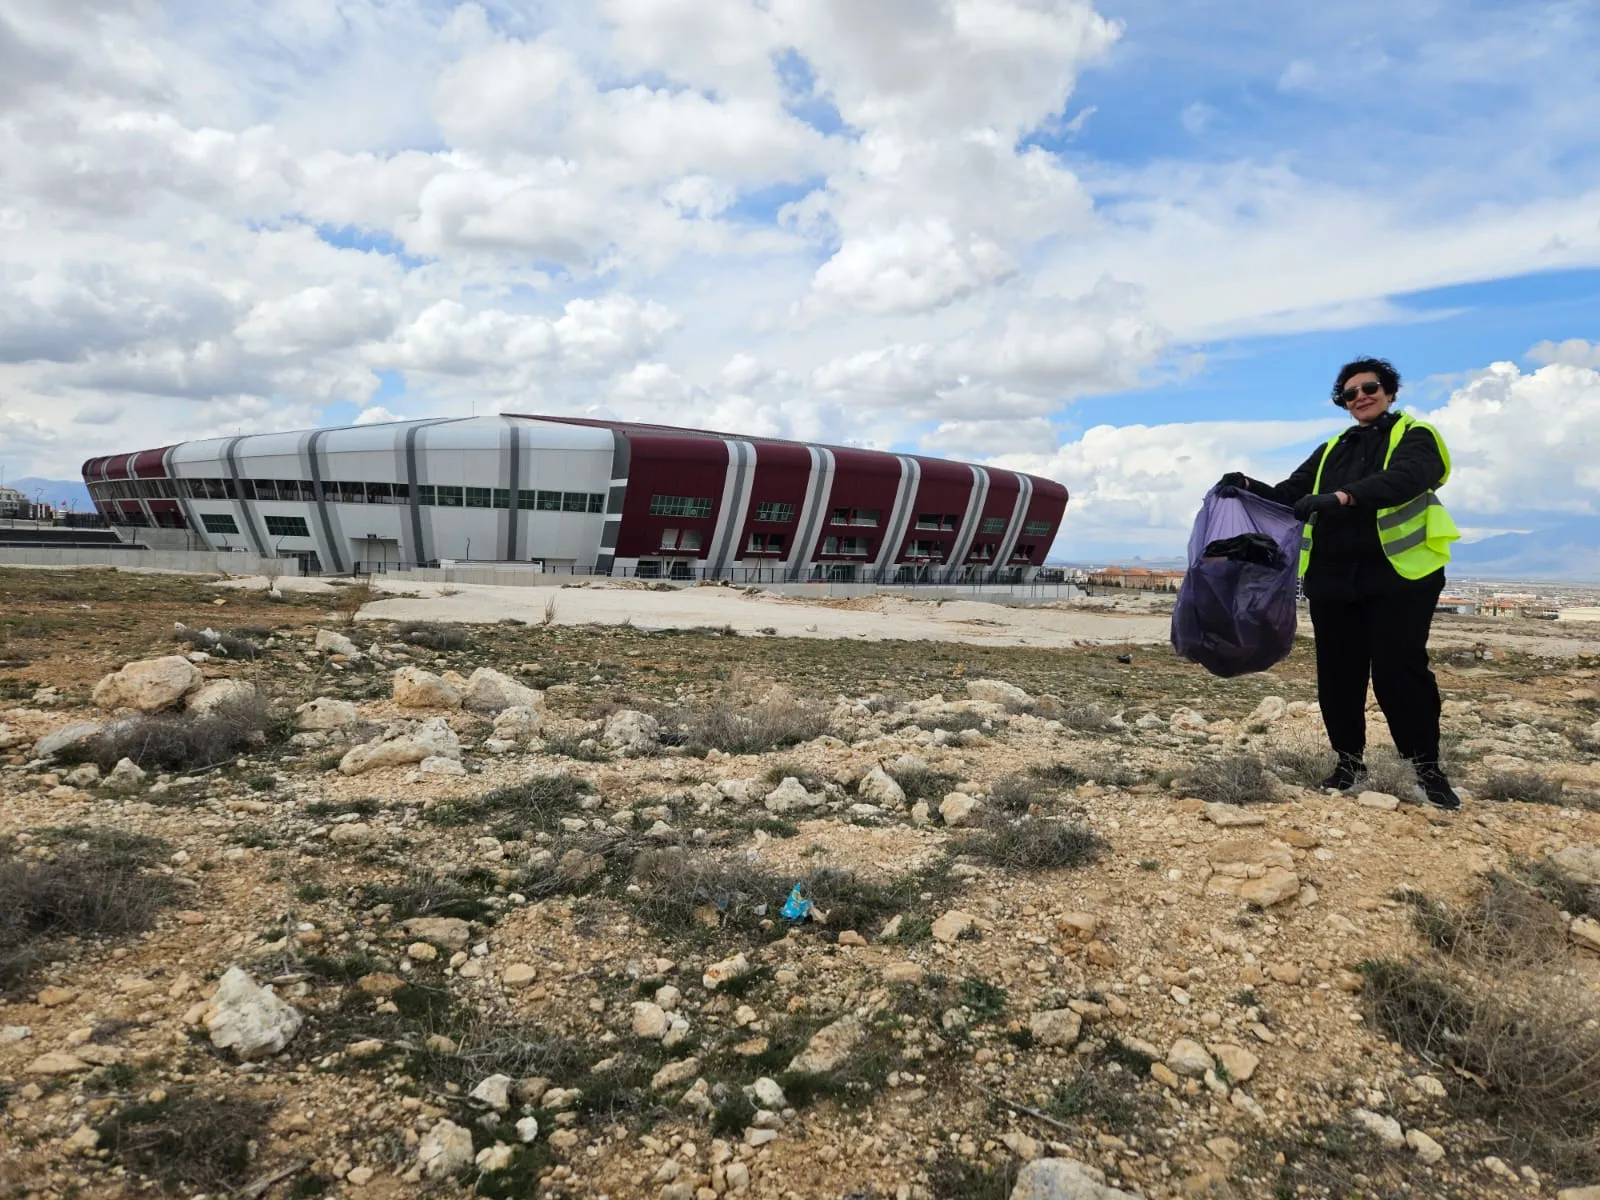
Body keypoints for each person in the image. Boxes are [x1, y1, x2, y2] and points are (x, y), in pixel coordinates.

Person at [1218, 357, 1462, 809]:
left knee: (1399, 673)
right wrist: (1246, 485)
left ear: (1389, 391)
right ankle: (1348, 764)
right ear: (1343, 403)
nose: (1361, 396)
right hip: (1333, 578)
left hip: (1401, 574)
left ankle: (1426, 769)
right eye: (1350, 393)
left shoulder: (1416, 436)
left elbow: (1408, 479)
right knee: (1338, 676)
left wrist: (1345, 497)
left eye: (1370, 387)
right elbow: (1292, 494)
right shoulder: (1332, 449)